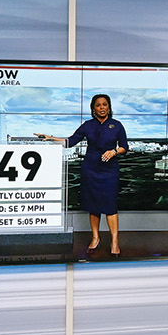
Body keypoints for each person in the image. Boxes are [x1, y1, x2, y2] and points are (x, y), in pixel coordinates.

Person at [39, 93, 128, 255]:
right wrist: (50, 138)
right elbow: (70, 141)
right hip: (91, 169)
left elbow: (124, 147)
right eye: (98, 105)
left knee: (110, 206)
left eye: (105, 104)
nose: (102, 107)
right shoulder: (87, 125)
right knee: (94, 206)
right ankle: (96, 238)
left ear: (109, 107)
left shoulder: (117, 125)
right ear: (93, 108)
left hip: (109, 171)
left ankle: (114, 241)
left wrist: (114, 152)